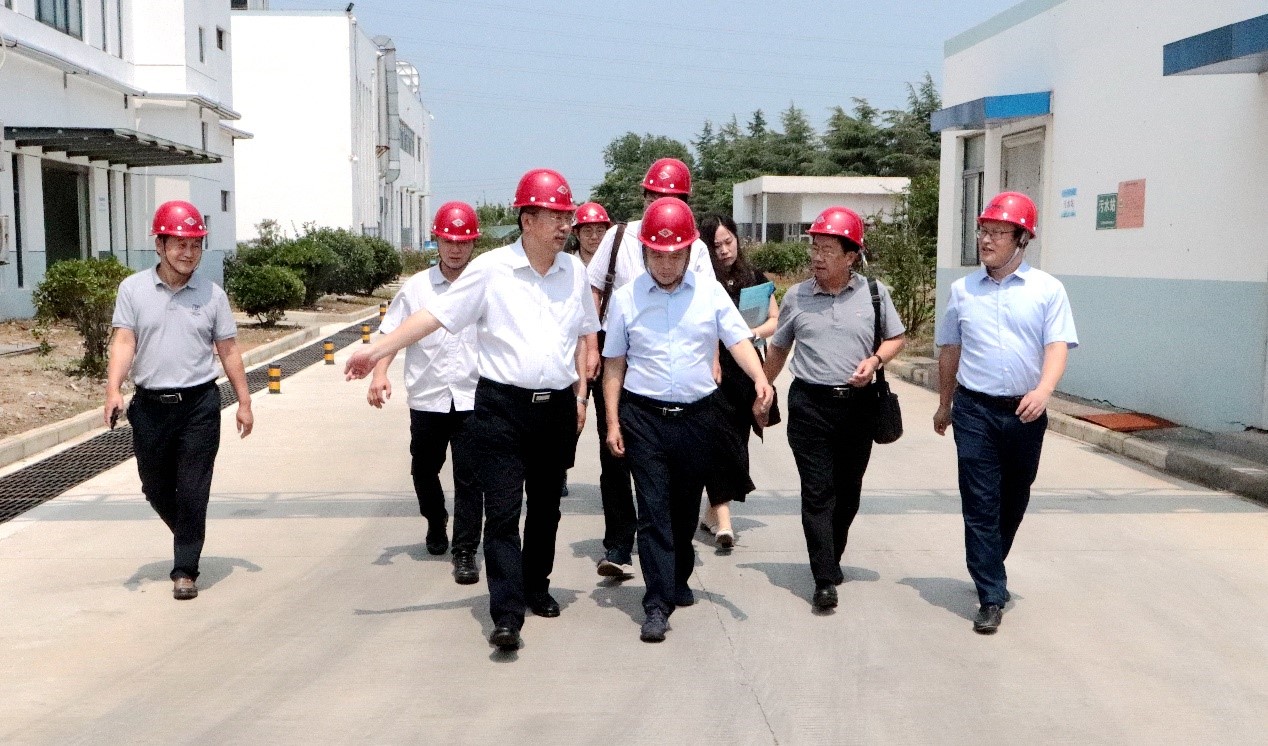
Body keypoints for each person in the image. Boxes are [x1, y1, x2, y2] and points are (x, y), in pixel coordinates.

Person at [346, 168, 599, 653]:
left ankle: (536, 586)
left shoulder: (574, 273)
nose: (565, 225)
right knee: (502, 513)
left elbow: (585, 334)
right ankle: (506, 614)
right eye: (555, 216)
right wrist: (378, 351)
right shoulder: (491, 270)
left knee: (546, 508)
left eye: (567, 216)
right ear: (527, 220)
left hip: (555, 410)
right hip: (502, 409)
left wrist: (581, 394)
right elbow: (433, 316)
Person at [602, 197, 773, 642]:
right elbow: (614, 363)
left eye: (674, 255)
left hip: (698, 418)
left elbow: (737, 339)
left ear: (688, 252)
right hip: (644, 418)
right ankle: (656, 604)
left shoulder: (708, 292)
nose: (665, 264)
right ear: (645, 252)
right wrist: (613, 421)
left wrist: (760, 379)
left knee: (682, 511)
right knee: (653, 512)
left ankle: (677, 576)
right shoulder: (626, 298)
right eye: (657, 255)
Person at [933, 191, 1077, 635]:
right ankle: (991, 594)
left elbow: (1057, 345)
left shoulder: (1047, 290)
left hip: (1025, 413)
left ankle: (990, 564)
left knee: (1013, 499)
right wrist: (944, 404)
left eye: (998, 232)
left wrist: (1044, 390)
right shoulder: (963, 291)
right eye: (984, 231)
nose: (987, 240)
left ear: (1022, 239)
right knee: (980, 502)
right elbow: (950, 349)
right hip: (974, 409)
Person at [104, 200, 253, 601]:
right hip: (150, 407)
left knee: (192, 489)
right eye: (180, 244)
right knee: (154, 487)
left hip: (199, 405)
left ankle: (185, 568)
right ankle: (189, 531)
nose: (189, 253)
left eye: (196, 245)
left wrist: (244, 401)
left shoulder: (212, 295)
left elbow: (229, 350)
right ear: (160, 245)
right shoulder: (133, 289)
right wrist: (113, 389)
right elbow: (124, 341)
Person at [762, 206, 905, 612]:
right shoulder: (797, 296)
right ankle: (823, 578)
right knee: (817, 491)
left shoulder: (874, 293)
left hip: (858, 408)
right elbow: (779, 348)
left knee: (848, 492)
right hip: (809, 406)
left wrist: (875, 361)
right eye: (815, 248)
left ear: (851, 256)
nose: (818, 257)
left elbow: (896, 338)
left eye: (828, 250)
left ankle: (831, 556)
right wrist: (763, 387)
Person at [586, 157, 712, 579]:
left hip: (669, 362)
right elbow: (593, 292)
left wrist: (712, 359)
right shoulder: (619, 237)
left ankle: (667, 547)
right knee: (615, 455)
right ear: (643, 196)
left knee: (670, 470)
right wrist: (590, 346)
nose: (663, 202)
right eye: (656, 195)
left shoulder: (695, 246)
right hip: (618, 359)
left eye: (674, 197)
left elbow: (708, 304)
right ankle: (619, 545)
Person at [367, 201, 482, 585]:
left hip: (473, 397)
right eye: (449, 241)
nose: (456, 249)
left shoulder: (485, 284)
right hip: (428, 397)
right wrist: (379, 373)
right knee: (423, 470)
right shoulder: (417, 287)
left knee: (470, 479)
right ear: (437, 241)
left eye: (463, 242)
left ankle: (465, 551)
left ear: (474, 243)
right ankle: (435, 519)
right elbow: (392, 333)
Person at [699, 213, 779, 548]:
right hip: (713, 372)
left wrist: (753, 333)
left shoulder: (754, 278)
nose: (723, 250)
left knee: (737, 445)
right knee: (719, 445)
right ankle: (725, 523)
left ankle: (710, 513)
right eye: (715, 245)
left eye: (728, 241)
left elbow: (775, 319)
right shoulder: (702, 281)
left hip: (745, 371)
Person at [561, 201, 611, 498]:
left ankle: (612, 485)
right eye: (588, 231)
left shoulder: (616, 263)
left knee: (609, 418)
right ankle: (560, 468)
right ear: (576, 233)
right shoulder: (567, 266)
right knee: (571, 414)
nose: (594, 237)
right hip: (574, 346)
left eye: (600, 230)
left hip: (609, 345)